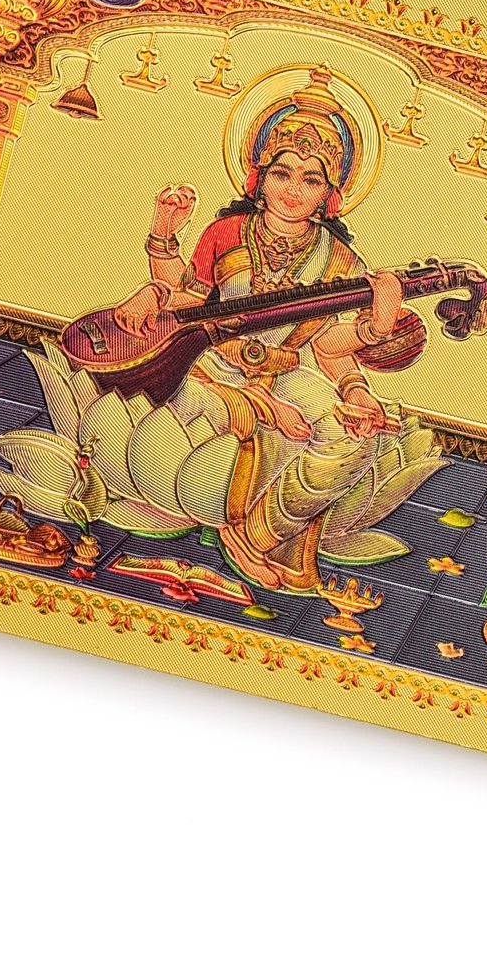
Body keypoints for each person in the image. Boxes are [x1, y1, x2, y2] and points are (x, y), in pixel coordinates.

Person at [109, 67, 433, 592]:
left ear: (330, 194)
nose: (293, 190)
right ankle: (222, 512)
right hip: (207, 365)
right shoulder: (226, 232)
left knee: (354, 436)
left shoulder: (340, 261)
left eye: (311, 180)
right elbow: (192, 300)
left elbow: (328, 347)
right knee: (219, 422)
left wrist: (367, 358)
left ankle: (257, 534)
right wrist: (159, 253)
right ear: (259, 178)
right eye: (283, 174)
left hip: (285, 372)